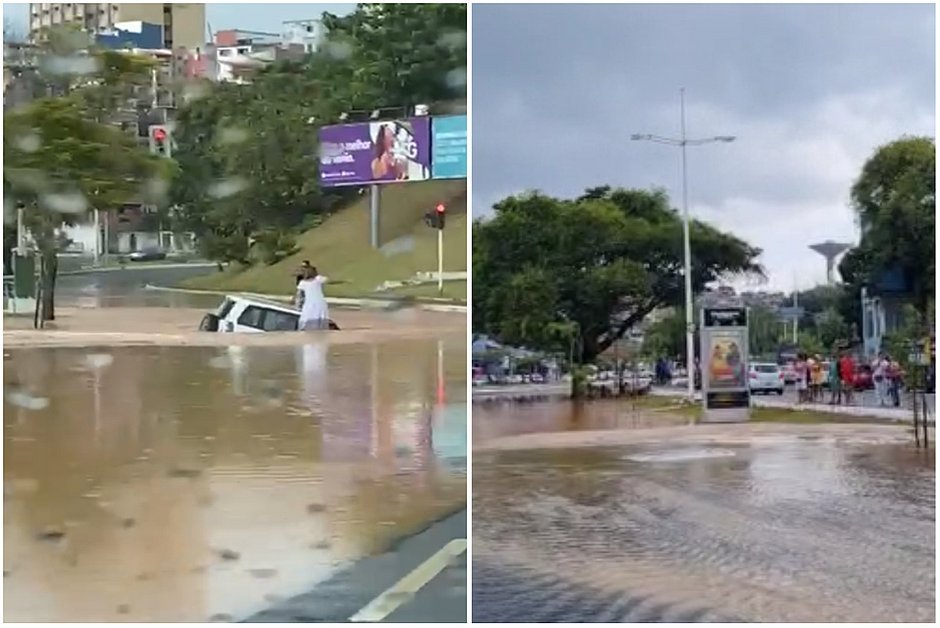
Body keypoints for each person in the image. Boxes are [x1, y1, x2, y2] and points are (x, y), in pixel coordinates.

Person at [295, 266, 330, 331]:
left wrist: (298, 304)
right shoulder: (318, 280)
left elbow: (298, 295)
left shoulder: (303, 283)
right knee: (319, 321)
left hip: (311, 304)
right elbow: (327, 279)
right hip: (318, 304)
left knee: (308, 320)